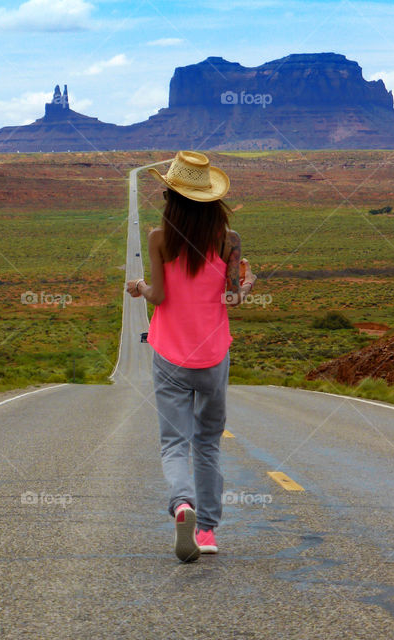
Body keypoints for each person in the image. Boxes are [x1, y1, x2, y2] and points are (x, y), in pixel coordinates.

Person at [126, 151, 256, 563]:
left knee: (174, 444)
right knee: (208, 443)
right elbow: (232, 297)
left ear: (171, 197)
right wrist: (250, 280)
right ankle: (207, 530)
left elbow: (160, 297)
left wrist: (141, 288)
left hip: (170, 356)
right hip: (214, 355)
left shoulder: (158, 237)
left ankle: (183, 505)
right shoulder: (228, 240)